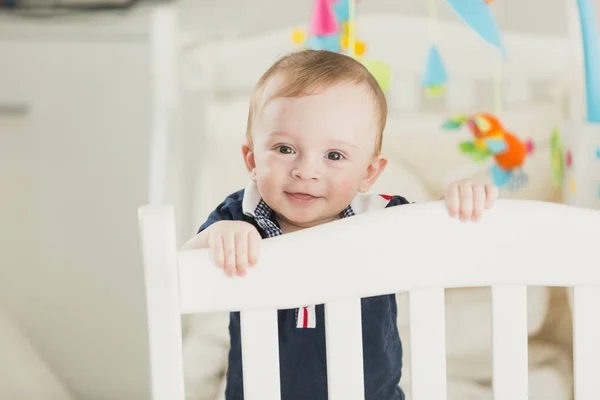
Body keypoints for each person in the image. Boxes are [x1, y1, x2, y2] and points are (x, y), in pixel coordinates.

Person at [182, 49, 498, 400]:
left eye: (334, 156)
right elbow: (180, 271)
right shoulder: (242, 215)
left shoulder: (381, 218)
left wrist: (458, 203)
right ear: (252, 160)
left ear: (368, 172)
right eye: (285, 149)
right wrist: (217, 237)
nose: (306, 170)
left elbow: (441, 241)